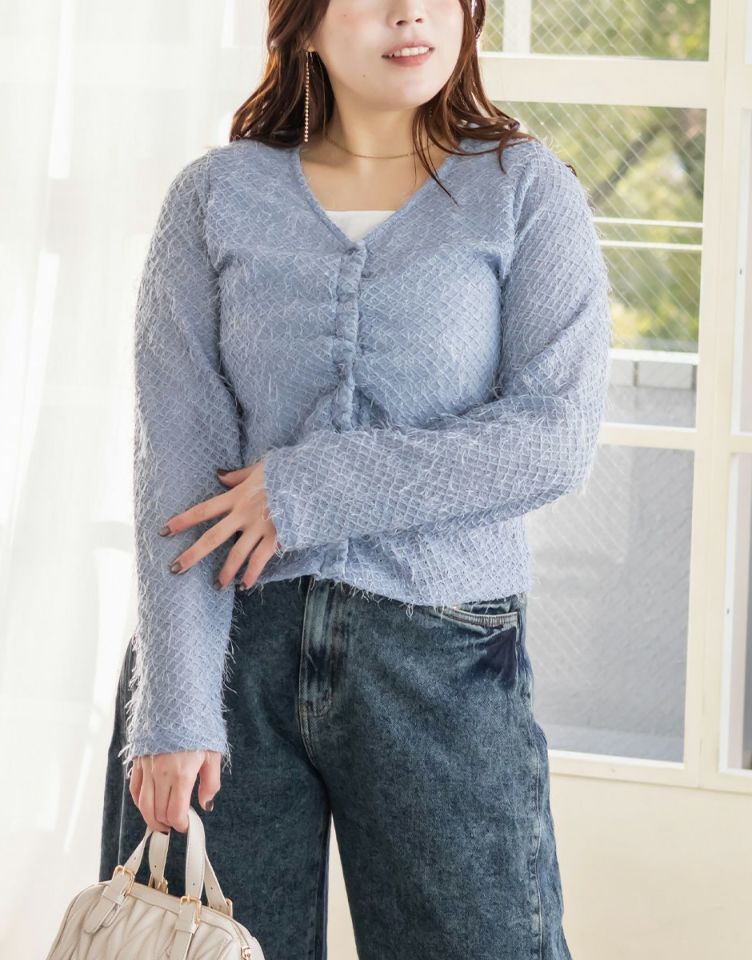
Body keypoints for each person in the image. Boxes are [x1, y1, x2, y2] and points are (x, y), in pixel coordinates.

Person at [99, 2, 612, 958]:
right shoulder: (214, 198)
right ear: (302, 23)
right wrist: (173, 708)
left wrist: (305, 490)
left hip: (441, 661)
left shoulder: (524, 190)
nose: (408, 12)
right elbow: (174, 461)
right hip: (227, 656)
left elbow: (554, 437)